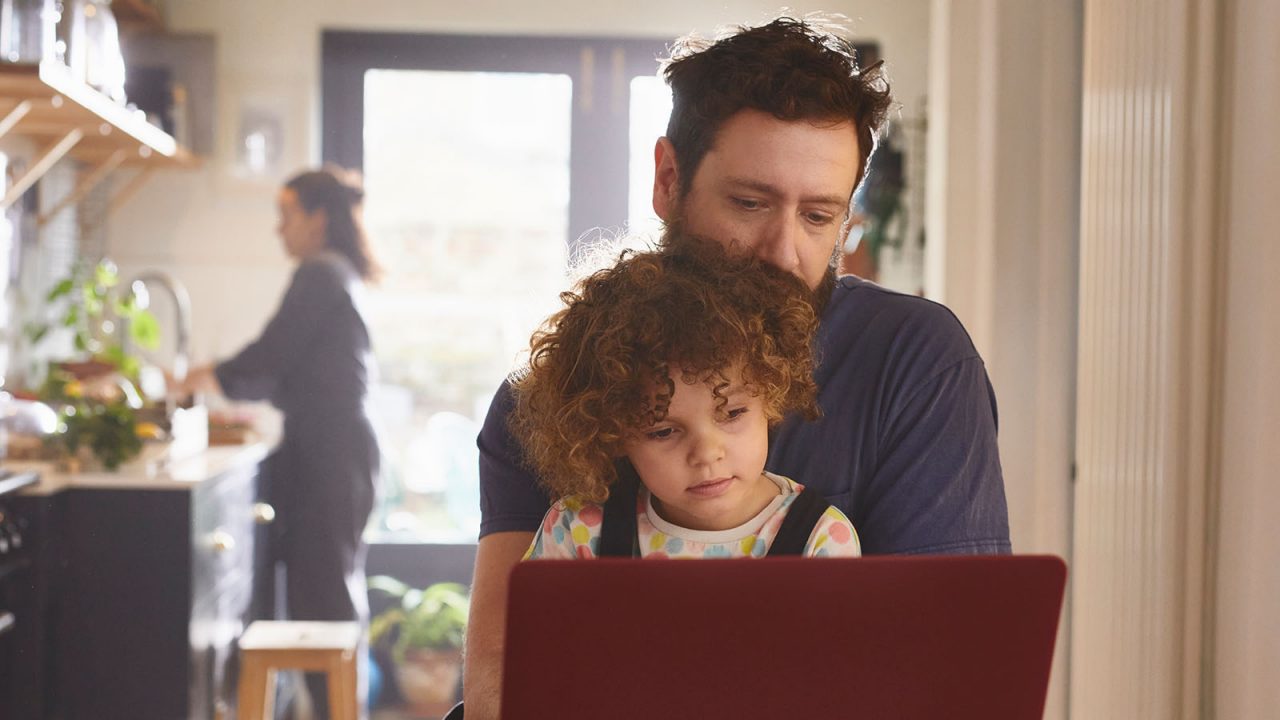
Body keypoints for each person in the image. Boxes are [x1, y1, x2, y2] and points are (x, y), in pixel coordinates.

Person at [465, 15, 1009, 719]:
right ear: (668, 179)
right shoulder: (551, 395)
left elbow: (949, 677)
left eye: (819, 217)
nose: (784, 251)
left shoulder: (916, 362)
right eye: (750, 203)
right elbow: (502, 684)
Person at [173, 165, 381, 718]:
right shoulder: (335, 273)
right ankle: (333, 707)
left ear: (317, 218)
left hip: (331, 453)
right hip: (335, 448)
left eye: (285, 215)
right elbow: (283, 366)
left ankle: (338, 711)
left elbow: (270, 355)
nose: (278, 229)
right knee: (327, 591)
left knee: (326, 596)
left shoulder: (320, 273)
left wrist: (202, 376)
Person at [511, 237, 860, 561]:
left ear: (771, 396)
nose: (707, 454)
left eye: (732, 412)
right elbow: (535, 628)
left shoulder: (821, 537)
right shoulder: (580, 531)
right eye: (663, 431)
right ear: (612, 434)